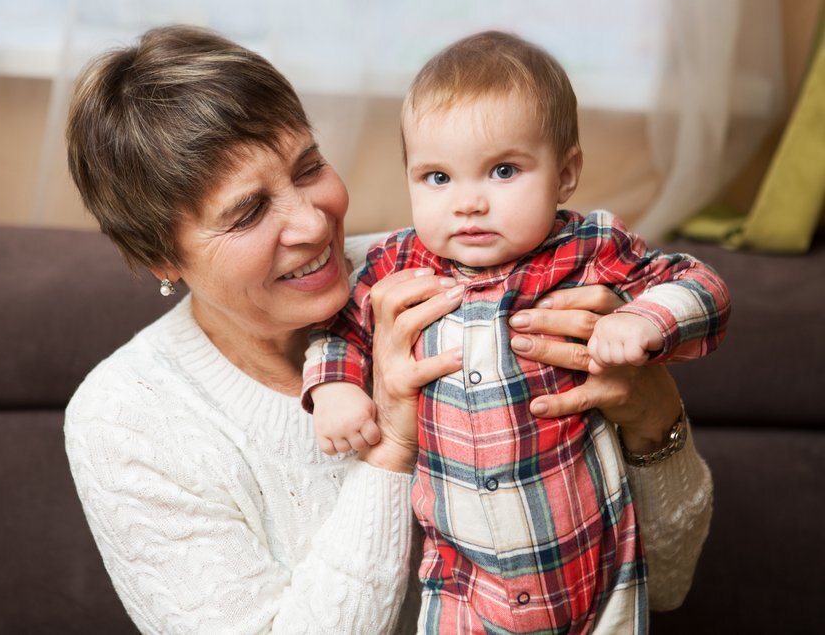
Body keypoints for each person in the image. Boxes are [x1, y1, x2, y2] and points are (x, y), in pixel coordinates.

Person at [63, 24, 714, 634]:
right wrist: (390, 446)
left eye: (308, 166)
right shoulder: (125, 418)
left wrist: (651, 413)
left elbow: (669, 583)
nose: (314, 224)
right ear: (162, 257)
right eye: (249, 211)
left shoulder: (449, 263)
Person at [302, 31, 729, 633]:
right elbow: (338, 324)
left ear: (566, 173)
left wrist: (643, 318)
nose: (468, 202)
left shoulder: (588, 249)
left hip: (592, 571)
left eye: (503, 170)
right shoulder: (395, 264)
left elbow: (700, 284)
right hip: (461, 583)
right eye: (437, 178)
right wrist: (334, 388)